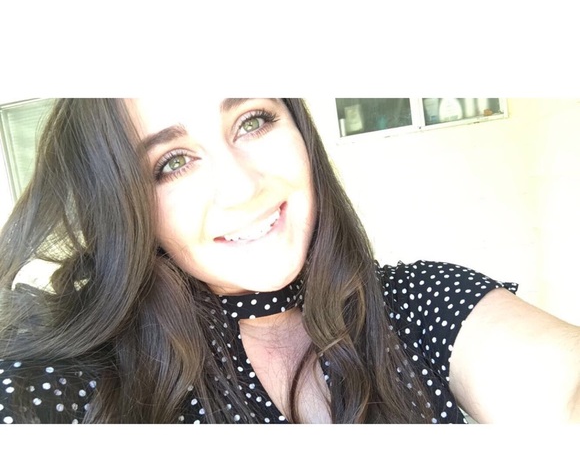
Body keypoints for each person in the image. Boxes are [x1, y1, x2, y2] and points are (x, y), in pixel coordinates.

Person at [0, 98, 578, 424]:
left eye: (252, 122)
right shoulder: (83, 382)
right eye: (172, 162)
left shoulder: (417, 304)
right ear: (126, 208)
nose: (243, 188)